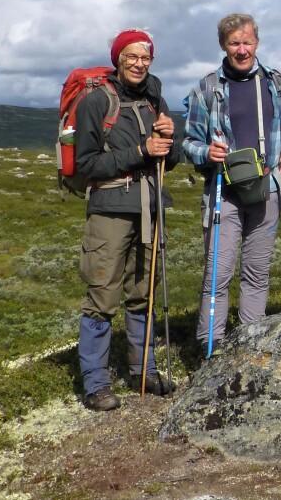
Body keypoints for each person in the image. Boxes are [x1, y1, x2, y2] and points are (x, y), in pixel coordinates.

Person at [75, 28, 182, 411]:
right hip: (109, 210)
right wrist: (141, 150)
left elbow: (170, 159)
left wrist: (170, 138)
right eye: (131, 57)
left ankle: (144, 371)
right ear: (118, 59)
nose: (139, 64)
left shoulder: (156, 99)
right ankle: (96, 384)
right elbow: (87, 164)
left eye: (145, 57)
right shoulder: (96, 102)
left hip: (149, 208)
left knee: (144, 293)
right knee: (102, 296)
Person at [182, 14, 281, 357]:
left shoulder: (276, 83)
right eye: (234, 43)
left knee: (257, 273)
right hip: (223, 191)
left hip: (266, 189)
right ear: (224, 45)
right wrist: (206, 152)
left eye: (247, 42)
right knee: (217, 274)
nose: (242, 50)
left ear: (257, 43)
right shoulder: (207, 88)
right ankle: (211, 348)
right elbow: (188, 142)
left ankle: (251, 345)